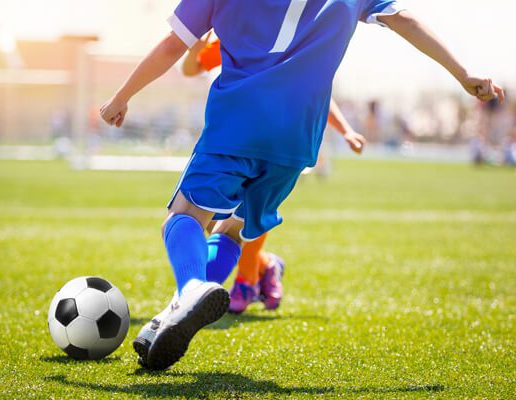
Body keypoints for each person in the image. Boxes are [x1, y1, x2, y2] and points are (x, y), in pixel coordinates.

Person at [101, 0, 503, 371]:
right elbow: (405, 19)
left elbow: (176, 47)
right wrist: (463, 74)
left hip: (239, 121)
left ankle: (188, 289)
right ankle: (179, 308)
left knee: (184, 218)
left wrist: (122, 95)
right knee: (236, 229)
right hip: (298, 140)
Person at [181, 36, 366, 314]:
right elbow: (192, 67)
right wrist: (195, 43)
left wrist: (346, 130)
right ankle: (266, 265)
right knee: (215, 221)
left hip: (280, 144)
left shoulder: (300, 35)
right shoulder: (242, 30)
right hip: (232, 137)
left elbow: (316, 91)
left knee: (250, 214)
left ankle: (247, 281)